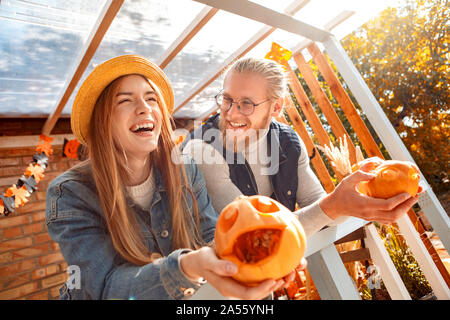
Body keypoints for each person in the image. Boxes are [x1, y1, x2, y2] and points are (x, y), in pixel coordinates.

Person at [45, 55, 301, 300]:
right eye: (125, 101)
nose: (144, 108)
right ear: (102, 122)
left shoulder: (185, 168)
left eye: (151, 98)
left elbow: (212, 234)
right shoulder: (70, 193)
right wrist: (187, 267)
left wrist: (262, 253)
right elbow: (103, 288)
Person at [181, 57, 419, 237]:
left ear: (275, 108)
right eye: (227, 99)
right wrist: (334, 205)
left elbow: (320, 207)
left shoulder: (288, 143)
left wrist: (361, 193)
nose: (231, 112)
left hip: (258, 277)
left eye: (246, 103)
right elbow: (255, 232)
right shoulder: (201, 150)